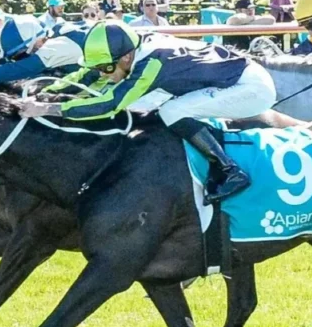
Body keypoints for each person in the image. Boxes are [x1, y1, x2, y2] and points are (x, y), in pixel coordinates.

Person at [21, 21, 277, 203]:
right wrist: (45, 92)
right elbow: (87, 73)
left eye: (106, 68)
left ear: (125, 58)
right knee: (156, 107)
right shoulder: (129, 46)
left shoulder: (149, 65)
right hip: (230, 76)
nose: (102, 74)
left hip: (250, 87)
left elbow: (109, 104)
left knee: (172, 111)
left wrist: (48, 108)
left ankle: (230, 171)